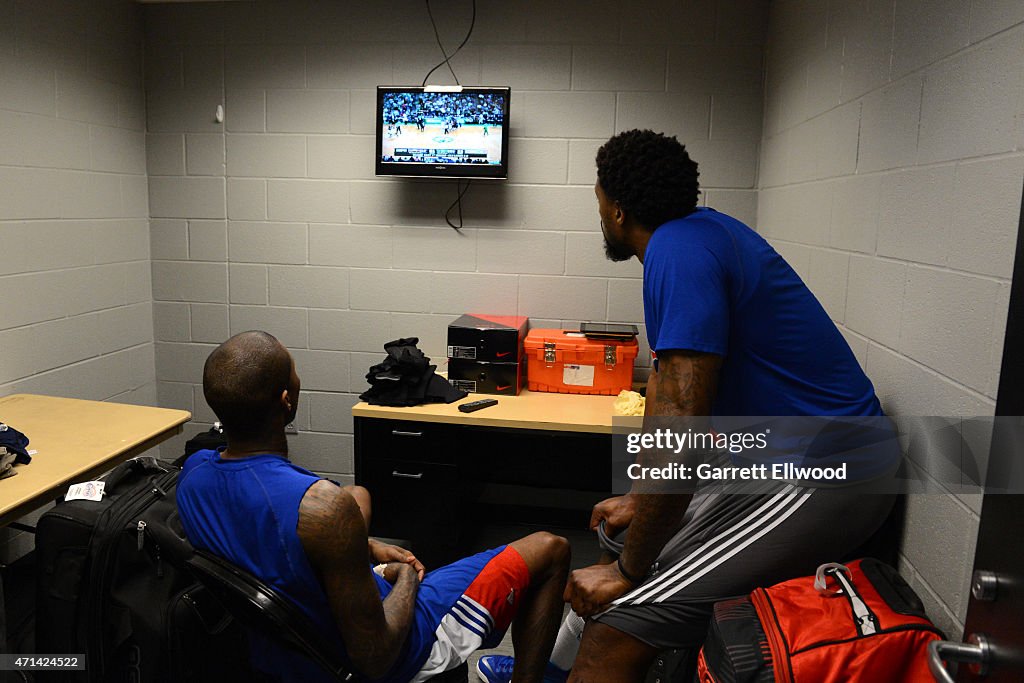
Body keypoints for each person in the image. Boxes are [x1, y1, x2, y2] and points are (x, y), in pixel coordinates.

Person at [476, 130, 899, 682]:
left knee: (625, 610)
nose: (599, 211)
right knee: (626, 539)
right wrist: (636, 499)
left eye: (598, 199)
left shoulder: (679, 253)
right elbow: (667, 394)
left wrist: (629, 572)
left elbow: (682, 421)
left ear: (618, 209)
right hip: (776, 456)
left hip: (831, 468)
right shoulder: (696, 236)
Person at [177, 331, 570, 683]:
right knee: (551, 549)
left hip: (287, 651)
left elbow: (273, 543)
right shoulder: (320, 507)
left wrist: (364, 546)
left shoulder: (191, 477)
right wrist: (407, 580)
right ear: (287, 401)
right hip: (397, 648)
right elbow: (377, 658)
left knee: (359, 495)